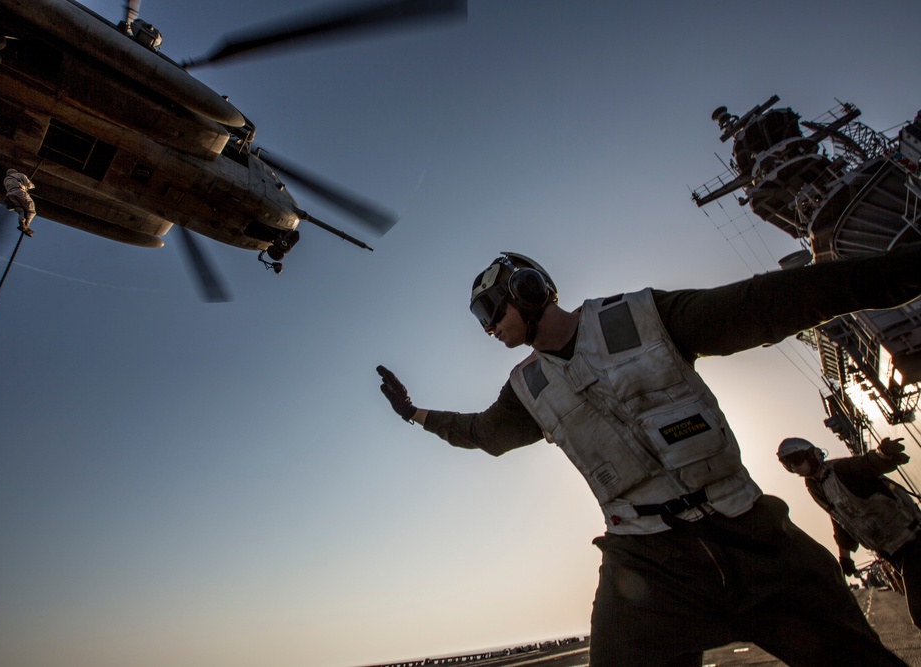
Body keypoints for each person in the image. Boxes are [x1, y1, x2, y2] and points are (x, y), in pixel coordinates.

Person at [377, 249, 921, 667]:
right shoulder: (527, 388)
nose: (489, 327)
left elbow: (765, 304)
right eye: (482, 318)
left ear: (529, 288)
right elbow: (484, 434)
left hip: (754, 534)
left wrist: (903, 272)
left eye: (492, 309)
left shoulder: (643, 316)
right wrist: (414, 414)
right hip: (645, 566)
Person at [778, 435, 921, 628]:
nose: (794, 467)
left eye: (796, 460)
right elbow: (840, 521)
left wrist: (884, 454)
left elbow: (868, 464)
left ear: (812, 455)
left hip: (912, 541)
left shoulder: (841, 469)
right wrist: (844, 557)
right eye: (788, 464)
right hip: (892, 552)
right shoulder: (815, 488)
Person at [3, 168, 36, 237]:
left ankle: (22, 222)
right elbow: (29, 185)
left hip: (10, 195)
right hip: (19, 192)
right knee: (31, 209)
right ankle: (26, 224)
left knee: (21, 210)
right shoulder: (20, 175)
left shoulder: (5, 180)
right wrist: (32, 186)